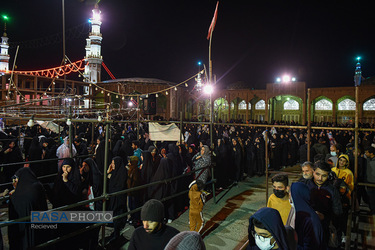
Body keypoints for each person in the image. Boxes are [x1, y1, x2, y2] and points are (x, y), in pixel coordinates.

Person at [8, 167, 49, 249]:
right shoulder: (38, 186)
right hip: (40, 226)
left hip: (23, 231)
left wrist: (16, 190)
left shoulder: (16, 196)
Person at [306, 161, 343, 246]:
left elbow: (338, 211)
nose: (320, 178)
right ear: (313, 172)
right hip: (306, 226)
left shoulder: (332, 190)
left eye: (324, 176)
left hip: (324, 227)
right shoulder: (305, 186)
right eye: (317, 174)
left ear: (328, 175)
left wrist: (325, 217)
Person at [288, 182, 325, 250]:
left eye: (291, 192)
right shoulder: (295, 211)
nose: (289, 194)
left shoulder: (310, 220)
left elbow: (311, 246)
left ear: (297, 195)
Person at [364, 147, 375, 214]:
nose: (365, 154)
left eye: (367, 152)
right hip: (369, 182)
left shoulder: (371, 162)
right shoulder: (368, 160)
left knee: (372, 199)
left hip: (372, 182)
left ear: (371, 153)